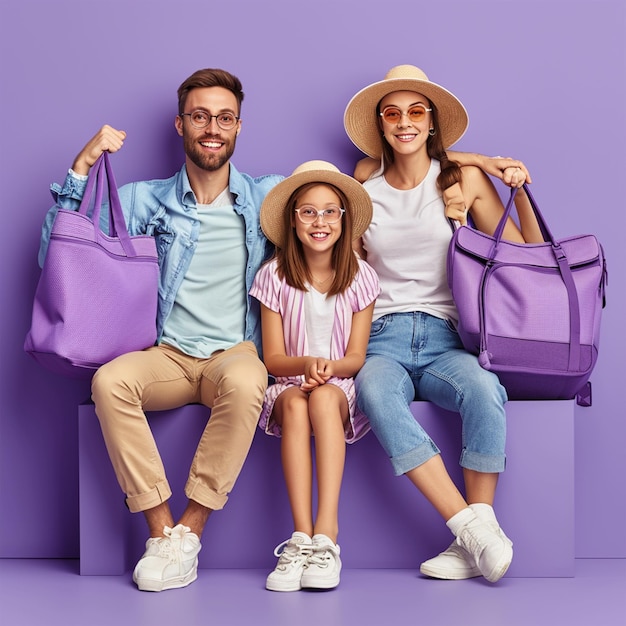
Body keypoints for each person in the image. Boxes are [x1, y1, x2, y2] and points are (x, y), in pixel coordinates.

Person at [38, 68, 284, 592]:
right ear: (180, 125)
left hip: (234, 352)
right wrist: (81, 169)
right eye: (200, 116)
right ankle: (161, 531)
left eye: (223, 117)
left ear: (239, 126)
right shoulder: (143, 200)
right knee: (109, 382)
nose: (212, 127)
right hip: (166, 354)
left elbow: (340, 206)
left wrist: (459, 165)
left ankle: (190, 532)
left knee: (245, 383)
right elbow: (55, 256)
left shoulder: (267, 199)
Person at [343, 64, 544, 583]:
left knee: (483, 388)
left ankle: (466, 541)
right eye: (392, 113)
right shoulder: (364, 182)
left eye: (417, 112)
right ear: (381, 124)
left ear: (432, 122)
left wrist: (516, 186)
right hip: (381, 336)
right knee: (374, 392)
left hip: (447, 336)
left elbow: (525, 254)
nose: (404, 122)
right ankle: (472, 528)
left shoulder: (463, 180)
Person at [249, 161, 380, 592]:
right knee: (293, 403)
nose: (319, 222)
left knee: (323, 400)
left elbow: (357, 356)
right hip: (289, 383)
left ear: (343, 219)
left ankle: (327, 535)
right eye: (308, 212)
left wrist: (327, 369)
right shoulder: (273, 276)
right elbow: (272, 358)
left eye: (329, 212)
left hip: (338, 384)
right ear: (292, 220)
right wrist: (306, 365)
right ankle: (300, 536)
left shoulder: (361, 278)